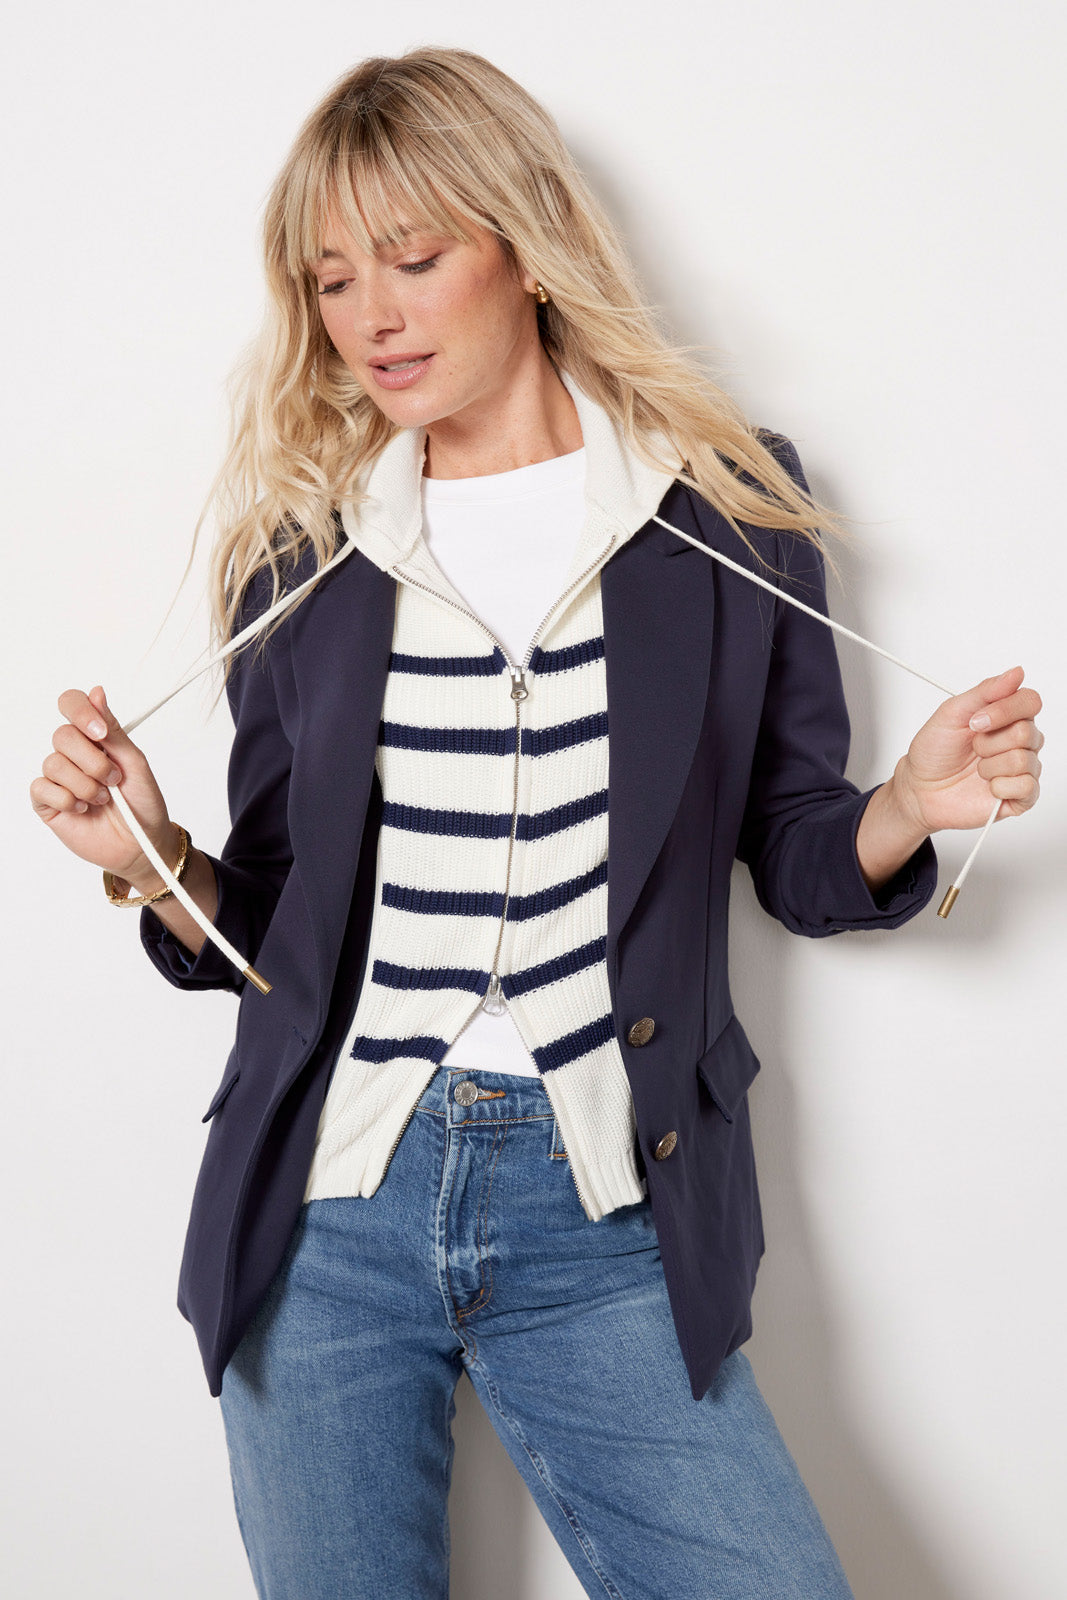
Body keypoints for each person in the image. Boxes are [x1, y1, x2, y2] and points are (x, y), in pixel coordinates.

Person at [31, 46, 1043, 1600]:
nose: (370, 315)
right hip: (328, 1210)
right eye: (331, 280)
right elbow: (281, 924)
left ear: (525, 245)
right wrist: (151, 862)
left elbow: (794, 850)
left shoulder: (725, 507)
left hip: (608, 1207)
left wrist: (908, 806)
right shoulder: (303, 552)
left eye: (413, 258)